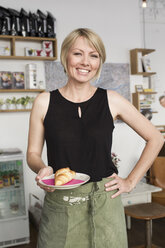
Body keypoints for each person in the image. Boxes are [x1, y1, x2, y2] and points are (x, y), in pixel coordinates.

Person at [27, 28, 164, 248]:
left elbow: (156, 138)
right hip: (61, 204)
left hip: (105, 204)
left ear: (99, 62)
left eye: (94, 55)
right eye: (78, 53)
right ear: (66, 56)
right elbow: (33, 154)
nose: (85, 62)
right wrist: (42, 168)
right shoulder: (44, 102)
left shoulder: (112, 100)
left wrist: (130, 181)